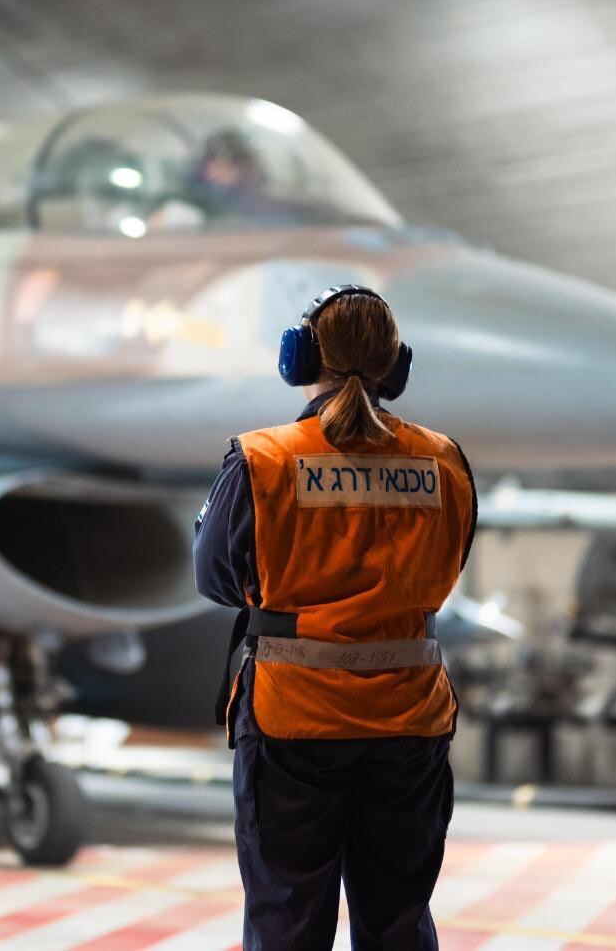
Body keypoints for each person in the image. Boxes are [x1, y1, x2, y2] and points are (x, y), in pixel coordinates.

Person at [194, 285, 477, 950]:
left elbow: (213, 580)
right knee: (399, 920)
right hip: (410, 722)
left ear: (300, 358)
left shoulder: (264, 458)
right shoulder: (444, 461)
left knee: (288, 920)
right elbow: (448, 565)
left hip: (294, 723)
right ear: (395, 366)